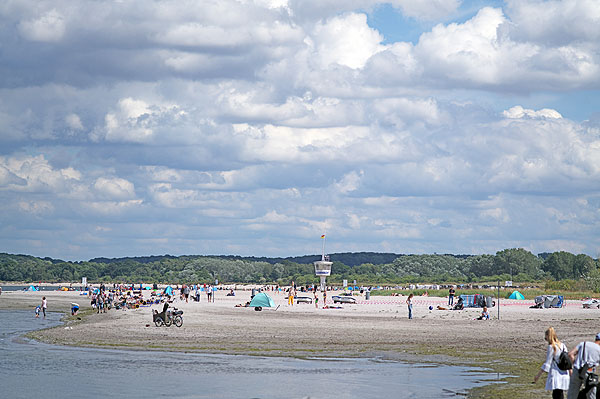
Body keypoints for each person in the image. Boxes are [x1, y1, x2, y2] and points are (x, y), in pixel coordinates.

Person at [533, 327, 570, 399]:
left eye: (545, 336)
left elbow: (547, 363)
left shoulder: (551, 347)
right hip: (564, 372)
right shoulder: (562, 345)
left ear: (548, 336)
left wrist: (538, 375)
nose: (545, 338)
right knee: (560, 393)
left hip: (556, 373)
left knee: (556, 394)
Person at [567, 332, 600, 399]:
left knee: (572, 395)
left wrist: (574, 364)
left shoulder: (583, 344)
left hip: (577, 370)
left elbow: (570, 354)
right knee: (591, 395)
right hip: (589, 373)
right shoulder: (599, 349)